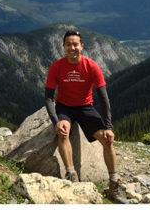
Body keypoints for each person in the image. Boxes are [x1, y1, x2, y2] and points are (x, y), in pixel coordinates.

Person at [45, 29, 125, 202]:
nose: (72, 47)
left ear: (82, 46)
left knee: (107, 139)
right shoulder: (57, 67)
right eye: (68, 44)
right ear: (63, 46)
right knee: (63, 132)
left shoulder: (92, 66)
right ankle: (71, 174)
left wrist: (108, 127)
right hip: (64, 107)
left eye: (75, 44)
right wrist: (56, 121)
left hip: (85, 107)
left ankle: (113, 184)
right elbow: (49, 97)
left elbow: (104, 98)